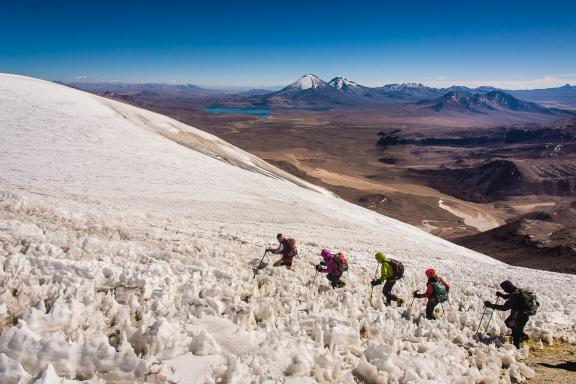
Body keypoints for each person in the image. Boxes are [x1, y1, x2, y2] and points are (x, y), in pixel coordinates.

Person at [484, 280, 535, 348]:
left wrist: (490, 305)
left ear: (508, 288)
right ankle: (522, 336)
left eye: (505, 289)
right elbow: (509, 296)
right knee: (509, 322)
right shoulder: (518, 290)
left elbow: (504, 308)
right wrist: (501, 295)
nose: (505, 291)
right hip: (522, 315)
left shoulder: (515, 294)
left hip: (520, 316)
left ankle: (516, 349)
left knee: (516, 332)